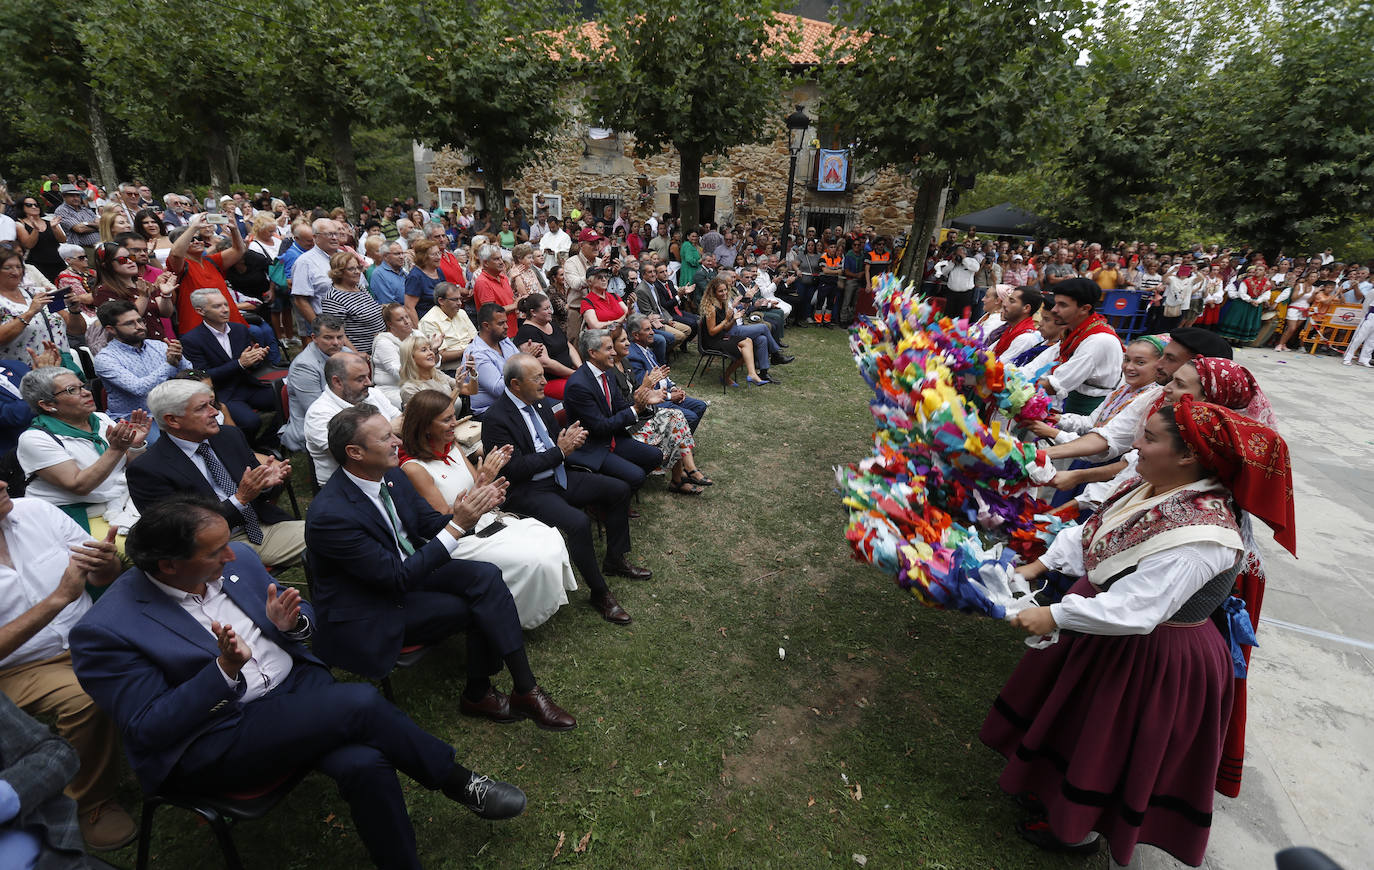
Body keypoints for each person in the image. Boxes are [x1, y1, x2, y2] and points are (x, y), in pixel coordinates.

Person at [69, 495, 527, 869]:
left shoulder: (240, 560)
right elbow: (150, 728)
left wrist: (289, 626)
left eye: (228, 544)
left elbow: (303, 617)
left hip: (296, 694)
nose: (232, 554)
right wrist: (223, 672)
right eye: (215, 552)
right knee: (359, 704)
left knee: (364, 763)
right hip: (218, 734)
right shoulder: (108, 629)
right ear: (168, 566)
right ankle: (459, 781)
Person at [981, 396, 1294, 867]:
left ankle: (1077, 829)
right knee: (1077, 722)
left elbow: (1138, 608)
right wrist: (1040, 566)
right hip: (1108, 626)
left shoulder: (1204, 532)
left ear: (1189, 455)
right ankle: (1050, 795)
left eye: (1149, 438)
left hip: (1153, 652)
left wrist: (1055, 616)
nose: (1135, 445)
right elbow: (1097, 531)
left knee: (1107, 738)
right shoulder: (1157, 486)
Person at [306, 405, 575, 730]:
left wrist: (470, 513)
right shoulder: (330, 515)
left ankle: (525, 689)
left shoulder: (390, 475)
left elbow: (429, 523)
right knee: (475, 604)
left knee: (487, 575)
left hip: (409, 571)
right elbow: (395, 579)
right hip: (373, 604)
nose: (396, 441)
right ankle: (480, 693)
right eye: (385, 437)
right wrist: (458, 526)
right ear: (355, 452)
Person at [0, 480, 136, 852]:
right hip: (18, 667)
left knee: (166, 655)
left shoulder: (34, 511)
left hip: (92, 636)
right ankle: (89, 801)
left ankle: (181, 754)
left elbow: (99, 577)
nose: (1, 483)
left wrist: (105, 565)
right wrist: (59, 598)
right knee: (84, 699)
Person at [481, 354, 646, 622]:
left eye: (543, 375)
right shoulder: (496, 419)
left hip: (558, 476)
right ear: (515, 384)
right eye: (537, 378)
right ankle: (599, 592)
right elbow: (515, 470)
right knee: (579, 523)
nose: (545, 382)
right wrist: (560, 451)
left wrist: (567, 442)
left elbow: (551, 443)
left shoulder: (538, 401)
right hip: (528, 490)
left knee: (619, 489)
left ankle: (615, 559)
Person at [400, 390, 577, 629]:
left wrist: (487, 480)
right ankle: (515, 615)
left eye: (454, 416)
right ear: (425, 426)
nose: (455, 424)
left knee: (549, 537)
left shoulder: (452, 447)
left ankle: (531, 604)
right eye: (446, 420)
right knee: (533, 558)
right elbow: (443, 520)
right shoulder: (414, 469)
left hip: (483, 519)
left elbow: (477, 486)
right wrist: (481, 491)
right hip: (459, 539)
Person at [129, 379, 305, 568]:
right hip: (210, 550)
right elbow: (181, 532)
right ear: (172, 420)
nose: (215, 412)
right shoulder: (148, 469)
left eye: (211, 404)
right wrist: (240, 499)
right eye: (202, 408)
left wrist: (267, 486)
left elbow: (257, 494)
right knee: (330, 538)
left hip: (262, 528)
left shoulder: (228, 436)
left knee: (334, 530)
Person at [17, 367, 146, 536]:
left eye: (82, 386)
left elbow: (128, 465)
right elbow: (80, 485)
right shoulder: (35, 439)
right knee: (143, 549)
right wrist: (116, 449)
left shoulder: (101, 419)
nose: (86, 393)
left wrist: (135, 446)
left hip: (120, 501)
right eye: (72, 390)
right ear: (48, 405)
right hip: (76, 514)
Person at [609, 323, 709, 494]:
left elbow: (638, 394)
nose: (628, 344)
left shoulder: (624, 362)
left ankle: (684, 473)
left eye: (627, 339)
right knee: (676, 421)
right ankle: (683, 475)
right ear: (611, 346)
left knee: (677, 417)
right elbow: (624, 404)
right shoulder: (609, 371)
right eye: (623, 340)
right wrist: (646, 388)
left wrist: (651, 393)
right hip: (629, 424)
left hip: (642, 412)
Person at [562, 328, 665, 490]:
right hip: (592, 446)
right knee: (636, 476)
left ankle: (619, 488)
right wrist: (636, 409)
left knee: (655, 456)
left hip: (611, 437)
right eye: (608, 349)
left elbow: (620, 406)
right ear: (593, 353)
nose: (614, 353)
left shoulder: (607, 373)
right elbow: (600, 427)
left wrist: (643, 401)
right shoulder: (578, 385)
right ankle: (610, 494)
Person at [0, 691, 91, 867]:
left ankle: (97, 806)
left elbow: (57, 753)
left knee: (82, 702)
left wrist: (7, 794)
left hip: (46, 857)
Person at [178, 288, 277, 444]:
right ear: (200, 311)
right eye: (217, 306)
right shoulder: (191, 340)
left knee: (287, 399)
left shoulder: (240, 330)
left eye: (226, 304)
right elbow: (204, 376)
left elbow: (248, 365)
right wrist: (239, 363)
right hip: (222, 392)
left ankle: (270, 440)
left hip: (247, 385)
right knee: (251, 422)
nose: (225, 310)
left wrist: (256, 358)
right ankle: (246, 449)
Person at [92, 300, 189, 434]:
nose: (139, 326)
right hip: (136, 421)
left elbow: (189, 374)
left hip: (172, 411)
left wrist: (179, 358)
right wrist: (169, 365)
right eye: (129, 323)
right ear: (111, 329)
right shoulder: (105, 358)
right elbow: (139, 389)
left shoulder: (159, 345)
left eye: (140, 321)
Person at [304, 353, 401, 485]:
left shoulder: (372, 394)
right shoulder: (318, 414)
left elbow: (401, 421)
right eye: (360, 379)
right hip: (348, 487)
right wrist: (391, 428)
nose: (369, 382)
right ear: (337, 382)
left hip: (387, 472)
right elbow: (349, 455)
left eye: (368, 375)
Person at [1036, 278, 1123, 415]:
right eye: (1056, 303)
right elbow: (1043, 361)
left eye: (1062, 305)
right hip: (1074, 402)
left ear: (1085, 309)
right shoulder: (1076, 331)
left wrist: (1014, 387)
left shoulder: (1098, 340)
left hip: (1089, 410)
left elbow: (1057, 384)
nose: (1054, 310)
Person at [165, 213, 247, 335]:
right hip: (200, 328)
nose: (197, 242)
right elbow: (176, 253)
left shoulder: (212, 261)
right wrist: (193, 227)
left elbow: (238, 250)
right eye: (191, 239)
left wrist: (234, 229)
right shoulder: (179, 266)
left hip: (230, 321)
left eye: (199, 239)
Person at [624, 314, 709, 432]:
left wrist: (673, 388)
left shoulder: (646, 349)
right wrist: (670, 396)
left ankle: (680, 441)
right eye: (647, 329)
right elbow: (643, 391)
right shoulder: (633, 357)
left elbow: (661, 373)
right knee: (691, 417)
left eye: (651, 328)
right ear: (636, 335)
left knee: (700, 406)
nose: (653, 332)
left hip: (665, 394)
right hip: (655, 402)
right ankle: (675, 444)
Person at [88, 241, 177, 350]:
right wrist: (143, 296)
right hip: (133, 349)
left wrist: (166, 295)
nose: (130, 262)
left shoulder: (142, 284)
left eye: (131, 257)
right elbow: (127, 319)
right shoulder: (103, 291)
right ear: (106, 265)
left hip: (159, 344)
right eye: (122, 260)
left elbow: (166, 313)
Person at [701, 276, 769, 386]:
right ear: (713, 293)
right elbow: (712, 332)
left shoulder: (722, 303)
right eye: (720, 291)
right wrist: (727, 319)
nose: (724, 293)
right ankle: (726, 377)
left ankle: (751, 374)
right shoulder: (711, 308)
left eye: (725, 290)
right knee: (743, 352)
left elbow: (726, 328)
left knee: (748, 342)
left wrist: (733, 319)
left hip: (722, 336)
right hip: (713, 341)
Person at [464, 303, 527, 417]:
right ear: (486, 325)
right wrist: (522, 363)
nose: (507, 326)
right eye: (501, 323)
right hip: (491, 412)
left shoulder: (504, 340)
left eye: (506, 322)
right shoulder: (477, 354)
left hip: (516, 402)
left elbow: (523, 366)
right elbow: (499, 389)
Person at [514, 293, 581, 400]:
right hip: (549, 381)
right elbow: (545, 363)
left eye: (549, 308)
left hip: (570, 374)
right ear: (533, 312)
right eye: (546, 309)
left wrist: (580, 368)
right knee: (582, 389)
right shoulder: (527, 332)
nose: (550, 311)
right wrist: (574, 374)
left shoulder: (550, 323)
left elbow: (567, 345)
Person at [321, 251, 385, 355]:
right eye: (351, 269)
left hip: (379, 349)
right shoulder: (333, 298)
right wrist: (356, 354)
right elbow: (336, 332)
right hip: (362, 354)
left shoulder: (359, 287)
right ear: (339, 272)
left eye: (358, 268)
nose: (357, 272)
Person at [398, 333, 479, 412]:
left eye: (430, 349)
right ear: (411, 358)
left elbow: (470, 390)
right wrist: (457, 388)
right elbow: (439, 414)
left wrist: (473, 375)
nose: (431, 353)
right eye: (424, 350)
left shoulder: (437, 374)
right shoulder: (409, 389)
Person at [12, 195, 67, 282]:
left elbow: (63, 240)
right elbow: (29, 245)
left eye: (36, 205)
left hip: (57, 261)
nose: (34, 207)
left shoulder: (49, 221)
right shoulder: (19, 224)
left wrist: (54, 228)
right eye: (29, 205)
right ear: (22, 207)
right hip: (37, 264)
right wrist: (35, 229)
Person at [1217, 266, 1271, 345]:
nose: (1257, 271)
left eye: (1260, 270)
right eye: (1256, 269)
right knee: (1237, 320)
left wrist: (1258, 301)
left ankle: (1240, 340)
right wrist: (1250, 300)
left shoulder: (1267, 283)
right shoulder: (1247, 281)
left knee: (1248, 321)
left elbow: (1267, 294)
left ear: (1264, 272)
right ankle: (1230, 339)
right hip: (1242, 303)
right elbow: (1241, 293)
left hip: (1255, 304)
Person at [990, 286, 1044, 362]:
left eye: (1012, 301)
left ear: (1026, 308)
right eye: (1008, 299)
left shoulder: (1026, 338)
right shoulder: (1011, 329)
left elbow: (999, 366)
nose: (1004, 304)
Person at [404, 239, 445, 321]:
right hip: (426, 323)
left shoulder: (438, 270)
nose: (438, 257)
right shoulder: (415, 277)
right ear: (423, 257)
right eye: (434, 254)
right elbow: (409, 307)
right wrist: (418, 331)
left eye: (439, 253)